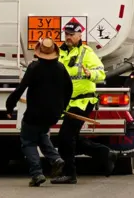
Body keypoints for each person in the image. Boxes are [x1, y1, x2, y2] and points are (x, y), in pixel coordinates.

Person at [51, 21, 118, 184]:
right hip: (67, 102)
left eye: (72, 34)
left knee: (65, 137)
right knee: (70, 138)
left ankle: (70, 174)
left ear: (80, 35)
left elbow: (101, 73)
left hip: (83, 101)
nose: (68, 37)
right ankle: (104, 153)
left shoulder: (86, 52)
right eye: (66, 34)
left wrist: (90, 74)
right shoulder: (59, 53)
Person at [6, 38, 72, 187]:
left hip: (34, 113)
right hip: (52, 114)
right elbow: (69, 89)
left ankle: (37, 174)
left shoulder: (34, 68)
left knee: (28, 142)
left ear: (39, 53)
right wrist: (63, 107)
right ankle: (55, 159)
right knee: (41, 134)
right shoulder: (61, 68)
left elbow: (21, 89)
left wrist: (9, 106)